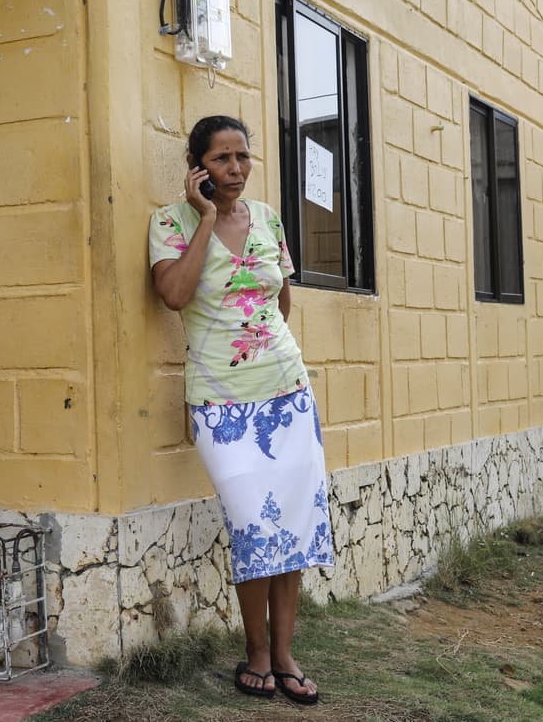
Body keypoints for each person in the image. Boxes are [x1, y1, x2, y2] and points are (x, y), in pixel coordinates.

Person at [148, 115, 333, 705]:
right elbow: (174, 295)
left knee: (292, 522)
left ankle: (283, 654)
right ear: (197, 167)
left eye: (242, 157)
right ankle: (255, 653)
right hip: (220, 403)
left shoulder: (269, 219)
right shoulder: (170, 223)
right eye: (222, 159)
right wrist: (205, 218)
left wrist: (267, 354)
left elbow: (280, 301)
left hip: (287, 391)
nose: (235, 168)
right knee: (254, 524)